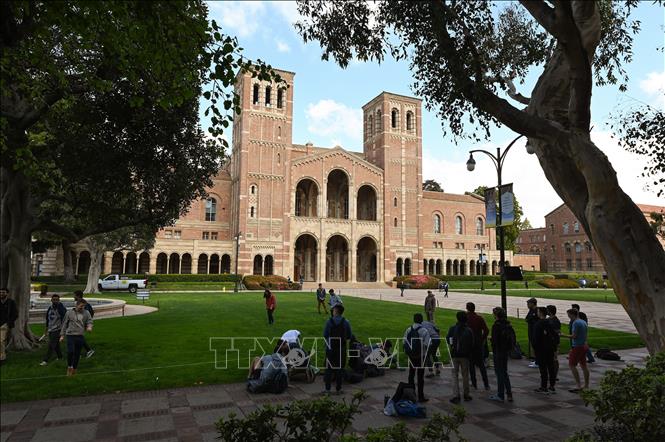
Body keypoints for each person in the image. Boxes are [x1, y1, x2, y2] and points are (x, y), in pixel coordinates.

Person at [323, 304, 352, 394]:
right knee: (340, 368)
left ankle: (327, 389)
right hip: (341, 348)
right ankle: (338, 389)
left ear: (335, 311)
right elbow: (349, 336)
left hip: (330, 348)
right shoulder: (346, 322)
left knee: (328, 369)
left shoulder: (329, 322)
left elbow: (325, 335)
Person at [59, 299, 93, 376]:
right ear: (76, 305)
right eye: (81, 306)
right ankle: (69, 366)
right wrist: (62, 335)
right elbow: (64, 324)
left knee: (77, 354)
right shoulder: (69, 313)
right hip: (70, 335)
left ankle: (74, 369)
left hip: (80, 335)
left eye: (84, 306)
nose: (82, 308)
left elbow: (89, 321)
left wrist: (89, 327)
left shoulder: (86, 313)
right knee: (71, 351)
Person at [446, 311, 474, 404]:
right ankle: (466, 394)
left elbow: (448, 339)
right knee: (465, 375)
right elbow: (472, 343)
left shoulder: (452, 328)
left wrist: (452, 345)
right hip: (465, 355)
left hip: (454, 354)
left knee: (454, 375)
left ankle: (456, 395)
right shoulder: (469, 330)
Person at [403, 313, 431, 402]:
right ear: (421, 320)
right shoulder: (424, 331)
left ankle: (411, 395)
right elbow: (427, 344)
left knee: (411, 375)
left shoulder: (408, 329)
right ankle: (421, 396)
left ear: (414, 320)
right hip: (421, 356)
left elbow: (404, 342)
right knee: (420, 376)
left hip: (411, 356)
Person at [489, 307, 514, 402]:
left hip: (498, 351)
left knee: (499, 373)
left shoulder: (496, 326)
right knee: (504, 372)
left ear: (496, 315)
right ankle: (509, 394)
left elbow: (495, 341)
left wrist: (491, 340)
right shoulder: (508, 324)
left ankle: (500, 394)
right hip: (505, 351)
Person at [562, 308, 590, 393]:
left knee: (572, 365)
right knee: (584, 365)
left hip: (577, 346)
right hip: (584, 345)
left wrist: (563, 335)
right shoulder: (583, 322)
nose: (568, 317)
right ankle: (586, 385)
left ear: (572, 314)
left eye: (568, 315)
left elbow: (574, 336)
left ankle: (578, 385)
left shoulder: (576, 323)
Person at [532, 307, 557, 393]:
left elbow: (535, 338)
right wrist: (554, 347)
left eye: (538, 311)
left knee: (543, 368)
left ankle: (544, 386)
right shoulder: (550, 322)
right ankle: (552, 385)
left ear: (540, 313)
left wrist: (535, 349)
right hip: (550, 348)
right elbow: (555, 335)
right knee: (550, 367)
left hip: (541, 349)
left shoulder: (538, 324)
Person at [466, 302, 490, 390]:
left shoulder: (466, 318)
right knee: (481, 365)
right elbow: (486, 330)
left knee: (471, 365)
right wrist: (482, 339)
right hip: (478, 344)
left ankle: (474, 383)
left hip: (470, 345)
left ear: (467, 308)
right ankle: (486, 384)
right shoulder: (479, 318)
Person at [40, 294, 67, 366]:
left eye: (57, 300)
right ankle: (60, 356)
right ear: (51, 300)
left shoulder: (61, 308)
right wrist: (46, 329)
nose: (55, 301)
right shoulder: (50, 308)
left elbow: (65, 319)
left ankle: (45, 360)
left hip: (58, 329)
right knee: (56, 344)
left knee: (51, 344)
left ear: (59, 300)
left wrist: (63, 330)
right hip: (51, 329)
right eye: (54, 300)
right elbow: (47, 319)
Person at [74, 291, 95, 358]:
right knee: (78, 338)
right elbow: (92, 312)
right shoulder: (84, 303)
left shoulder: (82, 304)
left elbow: (86, 313)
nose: (73, 297)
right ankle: (82, 352)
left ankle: (88, 351)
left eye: (74, 295)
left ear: (78, 296)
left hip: (81, 324)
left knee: (78, 338)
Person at [0, 288, 18, 365]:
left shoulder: (11, 302)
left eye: (3, 292)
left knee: (1, 341)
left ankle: (2, 358)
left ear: (7, 293)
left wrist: (8, 323)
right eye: (0, 292)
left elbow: (15, 314)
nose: (1, 294)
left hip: (4, 325)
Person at [546, 305, 561, 384]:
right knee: (550, 359)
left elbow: (557, 331)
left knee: (554, 359)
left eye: (547, 310)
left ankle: (555, 375)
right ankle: (551, 374)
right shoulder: (548, 319)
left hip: (554, 342)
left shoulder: (555, 320)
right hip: (549, 342)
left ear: (550, 311)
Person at [525, 298, 539, 366]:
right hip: (531, 330)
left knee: (536, 346)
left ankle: (538, 361)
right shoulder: (531, 310)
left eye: (528, 303)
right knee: (533, 346)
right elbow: (527, 318)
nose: (527, 305)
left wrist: (530, 320)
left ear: (533, 303)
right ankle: (536, 360)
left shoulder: (537, 310)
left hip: (535, 331)